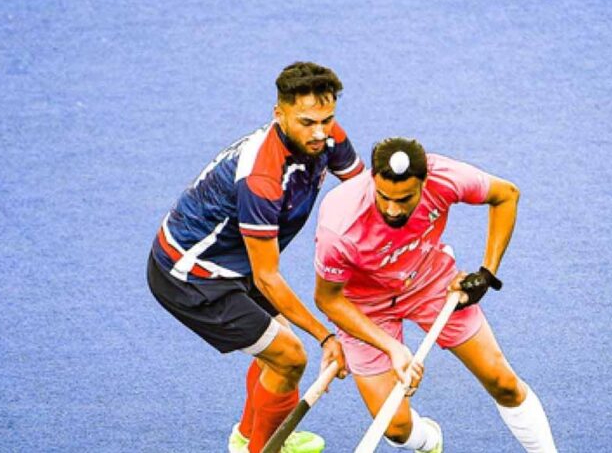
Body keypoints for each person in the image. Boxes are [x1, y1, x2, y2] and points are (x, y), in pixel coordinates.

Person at [146, 62, 361, 453]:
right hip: (191, 275)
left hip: (235, 258)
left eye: (326, 120)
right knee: (290, 357)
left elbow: (363, 195)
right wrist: (326, 335)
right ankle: (262, 449)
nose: (319, 132)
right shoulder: (262, 177)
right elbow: (267, 278)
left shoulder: (326, 137)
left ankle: (249, 436)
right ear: (279, 114)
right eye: (307, 122)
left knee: (278, 350)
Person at [314, 137, 557, 452]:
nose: (393, 209)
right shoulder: (340, 224)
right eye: (384, 197)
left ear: (425, 182)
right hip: (365, 307)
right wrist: (392, 348)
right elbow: (328, 299)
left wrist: (486, 274)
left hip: (430, 283)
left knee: (504, 383)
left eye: (405, 199)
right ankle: (429, 441)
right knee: (396, 428)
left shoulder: (444, 176)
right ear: (372, 179)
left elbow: (506, 195)